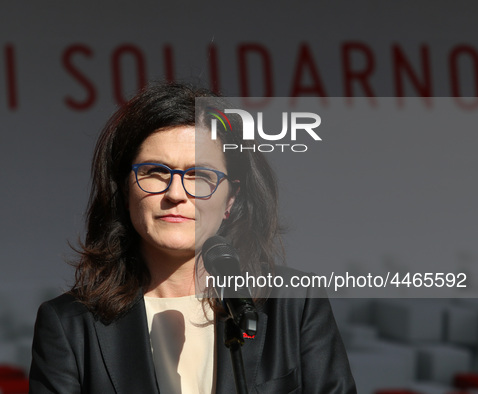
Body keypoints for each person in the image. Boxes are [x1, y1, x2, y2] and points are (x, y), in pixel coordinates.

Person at [29, 82, 356, 393]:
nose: (176, 193)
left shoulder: (295, 305)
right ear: (125, 189)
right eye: (155, 172)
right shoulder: (69, 325)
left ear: (231, 199)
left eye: (199, 176)